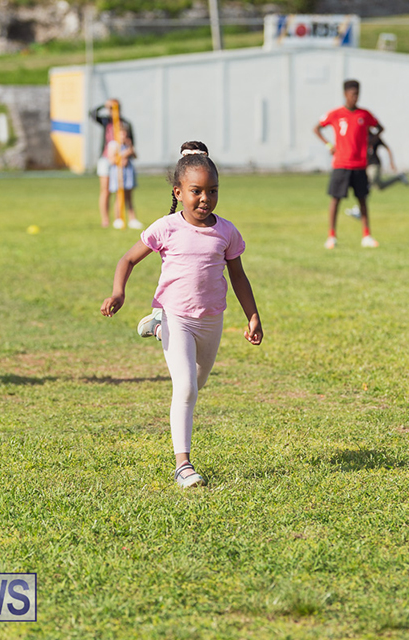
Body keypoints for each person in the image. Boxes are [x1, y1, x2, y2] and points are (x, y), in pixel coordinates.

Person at [101, 141, 262, 488]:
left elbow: (238, 276)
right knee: (186, 388)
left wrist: (252, 315)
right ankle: (183, 465)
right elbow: (127, 259)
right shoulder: (166, 227)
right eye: (196, 191)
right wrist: (118, 291)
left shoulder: (226, 232)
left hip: (211, 321)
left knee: (197, 384)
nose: (205, 199)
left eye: (212, 191)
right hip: (178, 316)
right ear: (179, 192)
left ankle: (157, 328)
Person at [314, 79, 382, 249]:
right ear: (345, 94)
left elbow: (380, 128)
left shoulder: (364, 115)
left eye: (357, 94)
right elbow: (317, 128)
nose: (355, 97)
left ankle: (366, 235)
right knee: (335, 200)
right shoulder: (336, 114)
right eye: (352, 94)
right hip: (341, 164)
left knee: (362, 200)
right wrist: (329, 145)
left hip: (359, 164)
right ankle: (331, 236)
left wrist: (370, 143)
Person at [91, 99, 135, 228]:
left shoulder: (126, 124)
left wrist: (126, 156)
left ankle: (123, 217)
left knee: (122, 190)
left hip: (122, 159)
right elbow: (92, 114)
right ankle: (105, 219)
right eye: (110, 109)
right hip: (106, 158)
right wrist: (103, 105)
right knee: (106, 190)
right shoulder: (105, 121)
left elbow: (132, 143)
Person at [105, 129, 143, 230]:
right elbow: (112, 160)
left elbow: (135, 156)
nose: (123, 136)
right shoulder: (113, 145)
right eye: (121, 134)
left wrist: (130, 148)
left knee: (129, 197)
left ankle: (132, 219)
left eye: (124, 134)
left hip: (128, 173)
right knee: (119, 197)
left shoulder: (128, 145)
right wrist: (124, 154)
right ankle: (118, 218)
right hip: (118, 174)